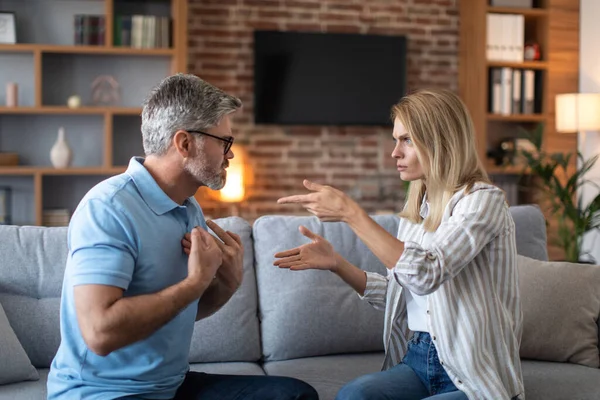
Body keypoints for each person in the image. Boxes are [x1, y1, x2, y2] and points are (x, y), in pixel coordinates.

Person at [47, 73, 319, 400]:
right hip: (103, 393)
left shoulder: (188, 208)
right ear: (185, 143)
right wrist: (195, 281)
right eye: (224, 141)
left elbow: (179, 310)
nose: (230, 154)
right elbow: (99, 333)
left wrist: (225, 283)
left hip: (170, 387)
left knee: (295, 395)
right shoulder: (108, 209)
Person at [275, 89, 524, 400]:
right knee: (353, 396)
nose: (394, 152)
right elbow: (401, 291)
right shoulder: (417, 212)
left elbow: (426, 273)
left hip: (473, 369)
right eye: (395, 140)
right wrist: (337, 264)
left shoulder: (482, 201)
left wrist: (352, 214)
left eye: (407, 140)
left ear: (440, 141)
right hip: (418, 360)